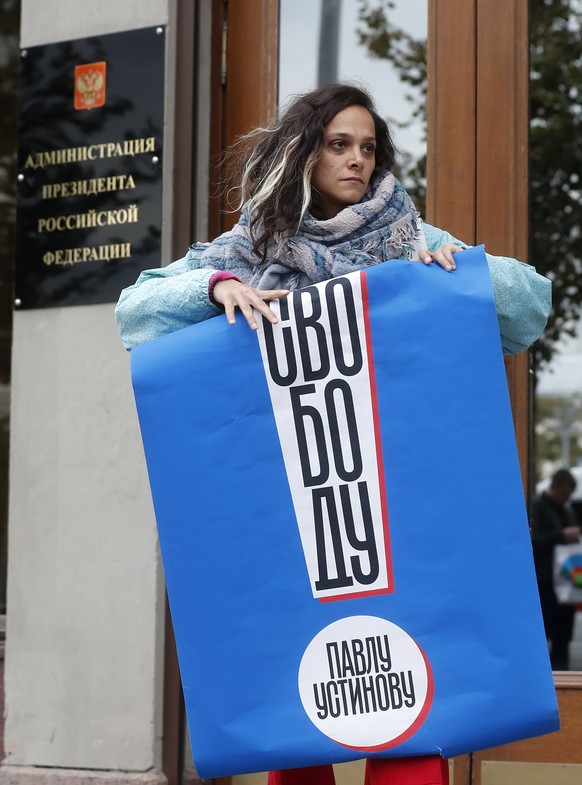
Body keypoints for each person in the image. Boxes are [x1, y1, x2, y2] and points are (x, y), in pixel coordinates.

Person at [116, 84, 552, 785]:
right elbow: (134, 313)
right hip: (291, 516)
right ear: (305, 151)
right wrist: (217, 288)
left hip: (398, 514)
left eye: (368, 147)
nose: (356, 160)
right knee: (299, 718)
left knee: (410, 713)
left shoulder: (409, 239)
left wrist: (464, 275)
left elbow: (529, 308)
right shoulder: (249, 247)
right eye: (338, 144)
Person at [531, 469, 581, 670]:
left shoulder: (567, 511)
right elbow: (533, 541)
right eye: (564, 493)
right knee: (544, 632)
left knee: (563, 634)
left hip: (566, 582)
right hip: (545, 581)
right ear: (555, 486)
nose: (566, 498)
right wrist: (560, 535)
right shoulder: (537, 507)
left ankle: (562, 669)